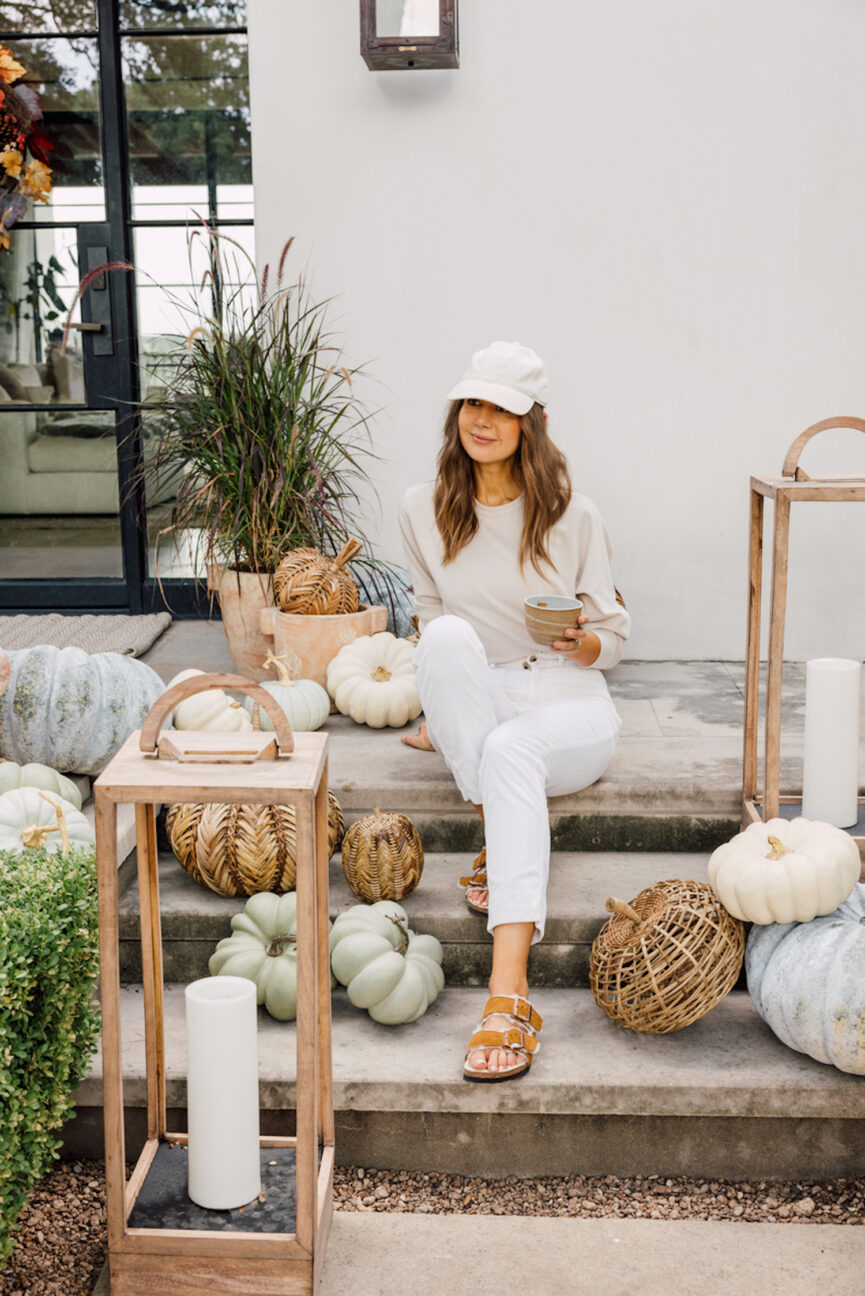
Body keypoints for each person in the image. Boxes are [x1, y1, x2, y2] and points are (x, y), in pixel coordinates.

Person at [398, 341, 630, 1083]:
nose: (483, 419)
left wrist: (584, 640)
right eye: (473, 402)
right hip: (487, 689)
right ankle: (485, 792)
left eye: (501, 407)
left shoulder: (571, 513)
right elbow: (430, 625)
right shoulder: (421, 508)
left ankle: (508, 990)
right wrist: (451, 695)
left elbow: (614, 637)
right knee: (441, 635)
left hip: (567, 699)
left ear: (530, 423)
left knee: (506, 753)